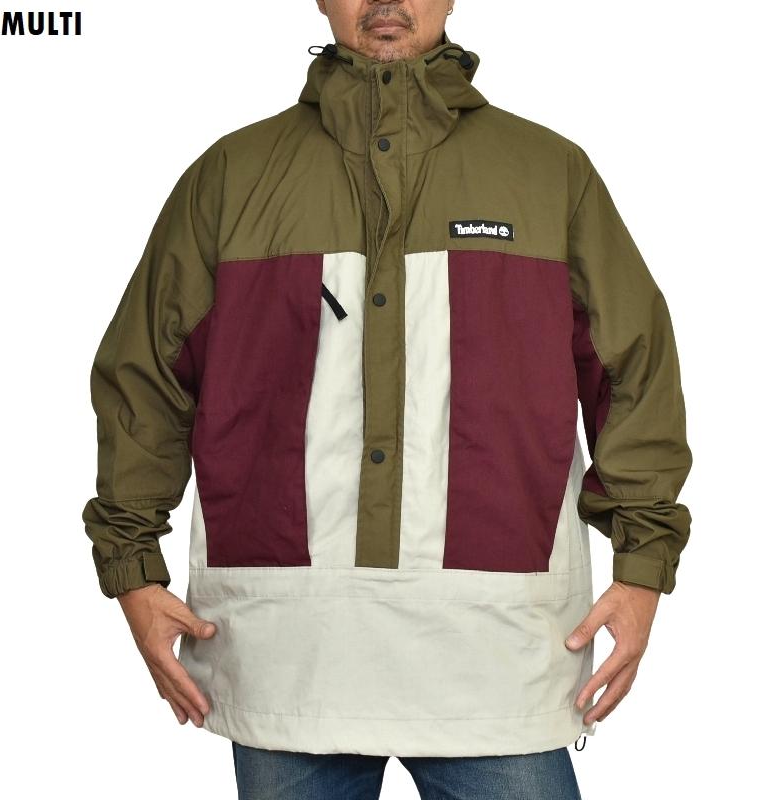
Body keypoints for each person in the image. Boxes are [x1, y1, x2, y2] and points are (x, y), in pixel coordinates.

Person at [81, 1, 693, 798]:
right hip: (288, 650)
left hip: (499, 651)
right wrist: (132, 569)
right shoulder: (230, 176)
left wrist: (643, 567)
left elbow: (635, 368)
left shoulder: (551, 174)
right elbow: (145, 377)